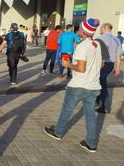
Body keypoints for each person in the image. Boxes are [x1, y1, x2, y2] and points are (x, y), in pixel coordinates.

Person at [44, 18, 102, 153]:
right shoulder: (97, 45)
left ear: (83, 31)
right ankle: (91, 143)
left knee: (67, 109)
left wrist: (67, 64)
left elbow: (81, 68)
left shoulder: (82, 46)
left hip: (79, 85)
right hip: (93, 86)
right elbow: (100, 64)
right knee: (90, 115)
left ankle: (58, 132)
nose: (78, 30)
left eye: (80, 28)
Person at [95, 23, 122, 114]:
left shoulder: (101, 38)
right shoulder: (117, 39)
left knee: (101, 83)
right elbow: (118, 55)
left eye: (101, 28)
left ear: (104, 28)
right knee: (100, 82)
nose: (100, 29)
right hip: (111, 64)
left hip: (102, 63)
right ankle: (96, 101)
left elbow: (98, 52)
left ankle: (105, 106)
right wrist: (117, 67)